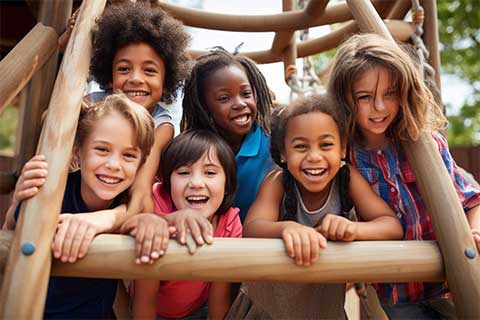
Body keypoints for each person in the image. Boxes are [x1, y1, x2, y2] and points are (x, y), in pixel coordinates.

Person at [328, 33, 480, 319]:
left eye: (390, 94)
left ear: (405, 93)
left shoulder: (425, 144)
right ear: (345, 100)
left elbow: (472, 201)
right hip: (397, 290)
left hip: (451, 280)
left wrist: (475, 232)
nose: (380, 107)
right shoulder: (346, 158)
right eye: (365, 97)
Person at [227, 94, 403, 319]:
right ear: (283, 153)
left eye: (326, 145)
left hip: (323, 308)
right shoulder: (278, 182)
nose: (314, 156)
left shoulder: (348, 180)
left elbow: (391, 226)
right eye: (300, 147)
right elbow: (252, 227)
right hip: (268, 308)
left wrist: (353, 229)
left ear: (342, 149)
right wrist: (287, 228)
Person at [2, 94, 164, 318]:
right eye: (102, 150)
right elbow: (13, 229)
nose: (113, 165)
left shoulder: (130, 202)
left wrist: (109, 220)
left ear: (141, 164)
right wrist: (19, 203)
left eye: (128, 155)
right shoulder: (53, 191)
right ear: (78, 151)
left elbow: (140, 217)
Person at [122, 130, 242, 319]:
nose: (196, 183)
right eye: (184, 173)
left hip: (197, 309)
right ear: (167, 183)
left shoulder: (230, 223)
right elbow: (145, 300)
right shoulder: (154, 207)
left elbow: (219, 298)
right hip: (152, 311)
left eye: (210, 173)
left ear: (227, 184)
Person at [88, 2, 191, 217]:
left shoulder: (162, 124)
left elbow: (142, 185)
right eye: (124, 69)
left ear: (166, 83)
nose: (135, 79)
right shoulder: (93, 105)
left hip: (124, 203)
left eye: (149, 70)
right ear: (109, 76)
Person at [181, 49, 275, 222]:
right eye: (224, 98)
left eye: (246, 94)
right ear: (204, 106)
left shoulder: (273, 145)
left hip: (261, 241)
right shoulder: (191, 150)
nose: (239, 104)